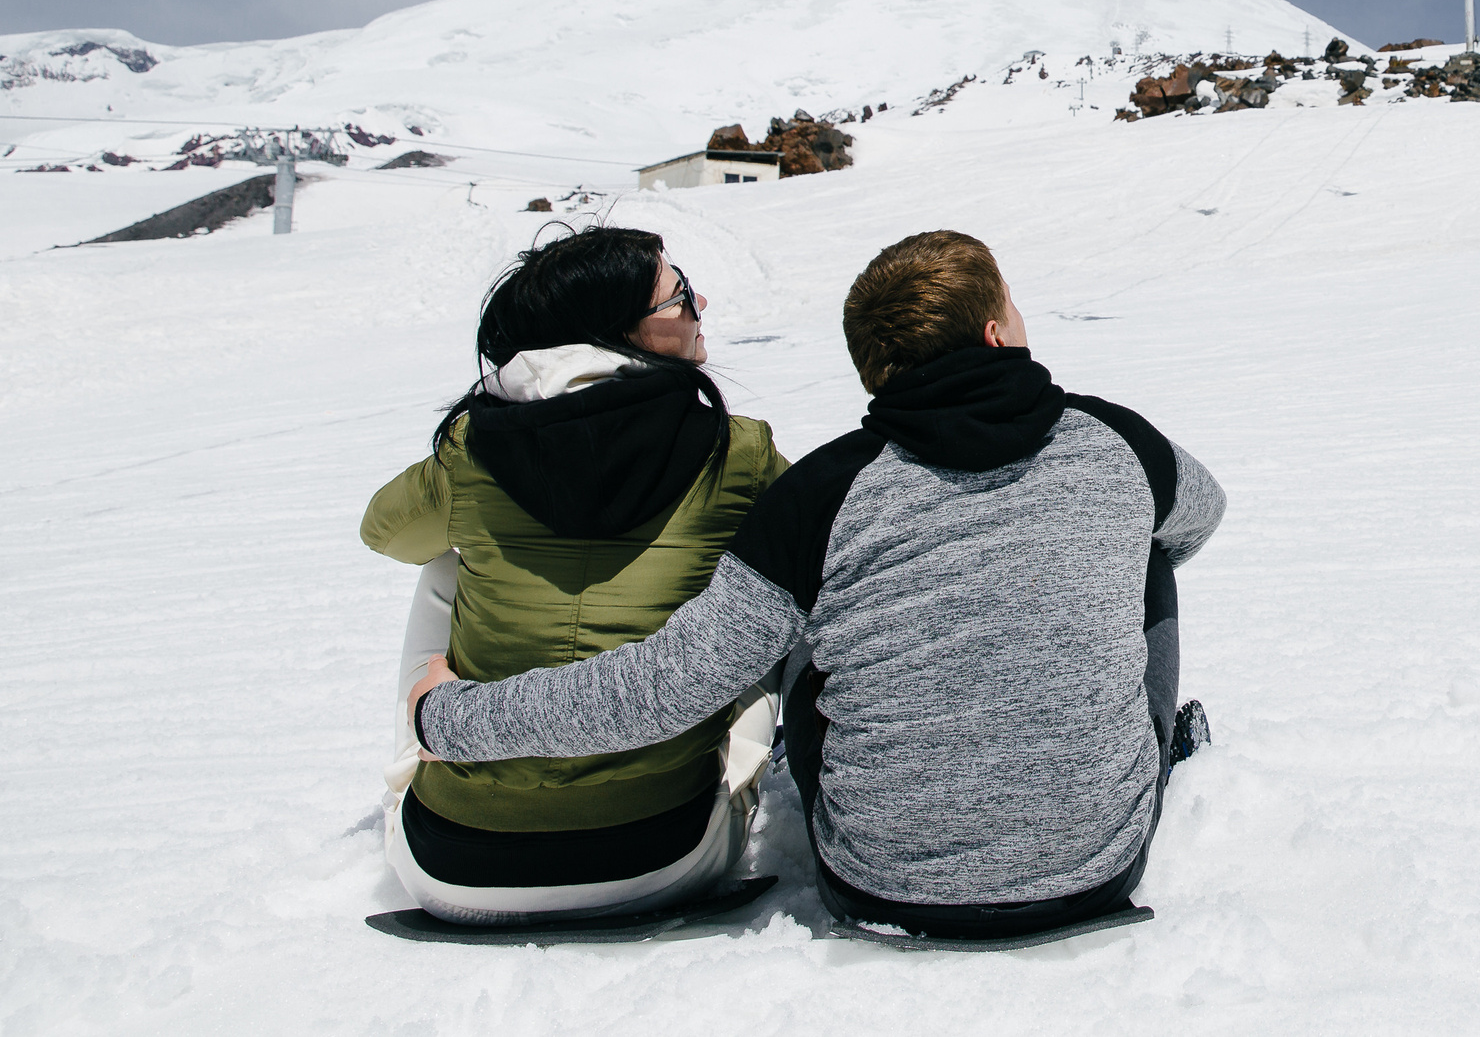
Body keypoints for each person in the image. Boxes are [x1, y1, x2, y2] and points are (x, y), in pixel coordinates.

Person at [410, 230, 1227, 943]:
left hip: (880, 881)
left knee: (804, 613)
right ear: (994, 332)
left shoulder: (819, 494)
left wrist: (450, 718)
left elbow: (669, 683)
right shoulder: (1117, 440)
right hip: (1096, 868)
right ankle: (1135, 765)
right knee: (1147, 551)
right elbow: (1201, 513)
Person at [362, 225, 789, 924]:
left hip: (455, 863)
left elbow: (384, 530)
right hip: (664, 855)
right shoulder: (736, 453)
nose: (699, 300)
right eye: (679, 294)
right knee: (765, 576)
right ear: (620, 332)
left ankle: (429, 731)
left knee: (444, 554)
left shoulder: (472, 450)